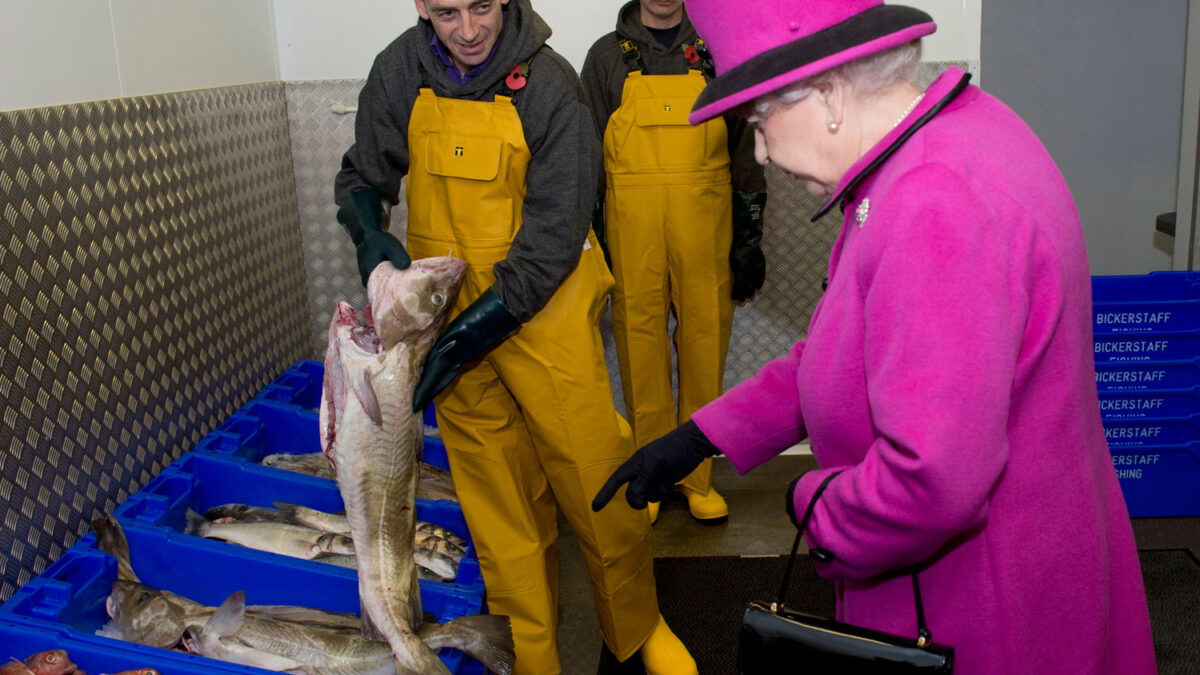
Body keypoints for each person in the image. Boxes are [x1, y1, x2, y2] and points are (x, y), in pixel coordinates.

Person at [592, 0, 1158, 672]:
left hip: (979, 603)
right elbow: (855, 349)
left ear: (829, 92)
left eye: (759, 122)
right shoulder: (958, 132)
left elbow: (931, 482)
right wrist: (703, 436)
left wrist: (811, 502)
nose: (764, 153)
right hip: (1032, 558)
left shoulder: (931, 201)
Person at [333, 1, 697, 673]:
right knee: (498, 501)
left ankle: (641, 625)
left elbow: (555, 237)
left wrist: (475, 331)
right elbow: (364, 176)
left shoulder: (550, 83)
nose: (469, 30)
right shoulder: (399, 71)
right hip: (446, 314)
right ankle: (531, 653)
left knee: (595, 479)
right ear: (421, 6)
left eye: (482, 6)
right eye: (446, 12)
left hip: (542, 307)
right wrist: (370, 238)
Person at [579, 0, 766, 525]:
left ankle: (698, 475)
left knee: (705, 344)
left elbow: (747, 148)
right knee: (641, 349)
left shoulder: (720, 54)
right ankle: (651, 473)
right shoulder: (604, 59)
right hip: (628, 231)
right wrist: (591, 243)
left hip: (706, 229)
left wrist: (750, 235)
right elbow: (586, 154)